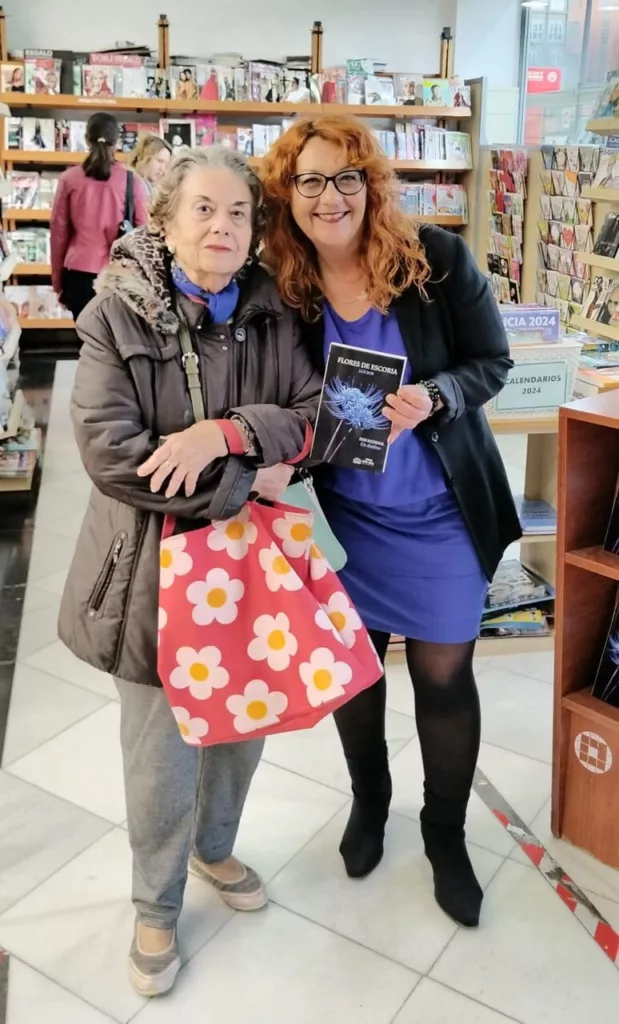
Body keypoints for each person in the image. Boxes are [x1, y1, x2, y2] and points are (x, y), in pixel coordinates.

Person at [58, 145, 321, 997]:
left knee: (242, 731)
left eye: (239, 212)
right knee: (161, 751)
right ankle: (155, 905)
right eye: (203, 209)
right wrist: (249, 474)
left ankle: (213, 849)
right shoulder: (114, 314)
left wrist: (229, 432)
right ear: (164, 222)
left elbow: (315, 413)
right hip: (149, 576)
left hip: (250, 576)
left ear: (256, 228)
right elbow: (112, 453)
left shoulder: (278, 307)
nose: (222, 225)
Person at [261, 114, 521, 929]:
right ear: (288, 194)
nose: (329, 196)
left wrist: (438, 396)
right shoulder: (282, 285)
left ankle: (445, 833)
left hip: (440, 515)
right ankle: (369, 806)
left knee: (444, 681)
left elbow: (493, 363)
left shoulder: (435, 262)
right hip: (341, 521)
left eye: (345, 177)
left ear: (371, 185)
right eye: (310, 180)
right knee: (357, 678)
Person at [51, 112, 149, 321]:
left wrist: (58, 283)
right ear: (117, 142)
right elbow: (143, 235)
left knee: (87, 343)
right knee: (118, 343)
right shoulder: (132, 181)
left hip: (78, 273)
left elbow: (58, 235)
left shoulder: (69, 179)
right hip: (118, 276)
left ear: (86, 140)